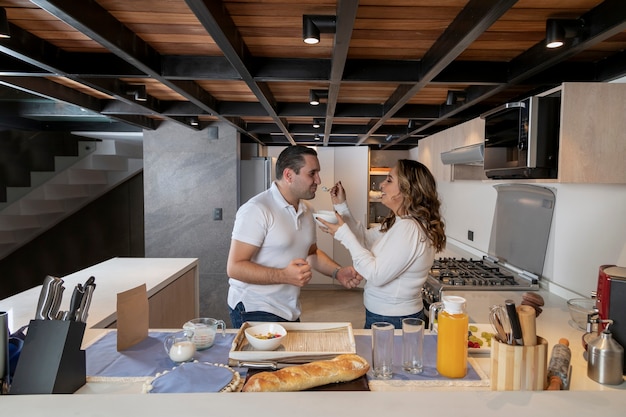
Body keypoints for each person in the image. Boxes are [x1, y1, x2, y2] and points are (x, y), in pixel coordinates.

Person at [226, 145, 362, 328]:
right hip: (254, 307)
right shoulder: (257, 209)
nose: (318, 180)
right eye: (312, 173)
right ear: (289, 175)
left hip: (289, 309)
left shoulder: (307, 210)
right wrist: (284, 275)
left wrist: (337, 272)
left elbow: (311, 253)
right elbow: (235, 267)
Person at [316, 159, 446, 329]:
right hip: (388, 316)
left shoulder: (409, 228)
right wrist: (341, 206)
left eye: (389, 180)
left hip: (393, 319)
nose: (382, 185)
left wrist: (343, 236)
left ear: (407, 190)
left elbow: (376, 275)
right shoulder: (402, 222)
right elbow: (363, 238)